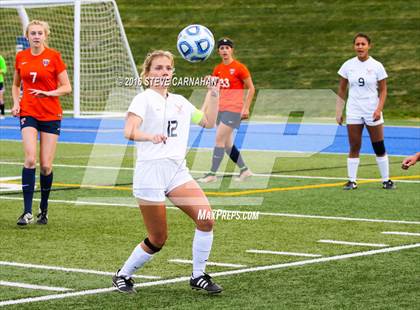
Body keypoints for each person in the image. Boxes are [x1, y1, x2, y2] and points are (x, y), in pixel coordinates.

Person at [112, 50, 222, 294]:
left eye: (168, 68)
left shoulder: (179, 101)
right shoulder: (143, 99)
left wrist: (213, 93)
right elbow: (129, 130)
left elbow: (207, 121)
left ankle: (198, 275)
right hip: (150, 173)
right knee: (158, 238)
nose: (164, 72)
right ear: (148, 73)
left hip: (177, 172)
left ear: (173, 72)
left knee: (206, 219)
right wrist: (149, 136)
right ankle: (123, 274)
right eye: (158, 68)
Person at [11, 20, 72, 225]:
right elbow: (15, 84)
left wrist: (48, 93)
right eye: (32, 33)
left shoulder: (54, 57)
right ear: (27, 36)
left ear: (46, 35)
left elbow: (66, 87)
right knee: (30, 160)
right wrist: (15, 103)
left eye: (40, 33)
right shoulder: (21, 57)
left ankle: (43, 209)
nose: (36, 36)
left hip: (51, 114)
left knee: (46, 166)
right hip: (28, 112)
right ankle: (27, 212)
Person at [336, 33, 395, 190]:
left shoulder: (377, 66)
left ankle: (386, 180)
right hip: (354, 110)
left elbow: (383, 91)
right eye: (357, 44)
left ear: (369, 46)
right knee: (354, 145)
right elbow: (342, 89)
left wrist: (378, 109)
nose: (360, 47)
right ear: (354, 46)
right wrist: (339, 110)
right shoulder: (348, 65)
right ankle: (352, 181)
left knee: (378, 146)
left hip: (371, 110)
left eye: (363, 44)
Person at [198, 38, 255, 183]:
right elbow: (212, 91)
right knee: (228, 144)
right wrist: (203, 109)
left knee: (218, 139)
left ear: (232, 50)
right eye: (222, 48)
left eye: (227, 48)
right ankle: (245, 170)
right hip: (220, 109)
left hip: (234, 109)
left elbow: (251, 88)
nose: (224, 50)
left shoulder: (239, 68)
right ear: (218, 51)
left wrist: (246, 107)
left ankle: (212, 174)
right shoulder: (217, 69)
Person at [0, 54, 7, 119]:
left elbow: (4, 70)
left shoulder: (0, 58)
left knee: (0, 98)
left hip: (0, 82)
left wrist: (0, 71)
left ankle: (2, 114)